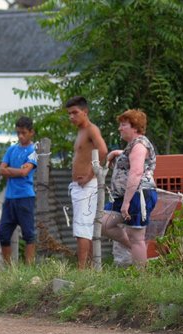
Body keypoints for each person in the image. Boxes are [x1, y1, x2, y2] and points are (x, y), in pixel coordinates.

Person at [102, 109, 157, 267]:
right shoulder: (133, 146)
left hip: (138, 195)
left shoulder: (139, 145)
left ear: (135, 127)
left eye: (123, 124)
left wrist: (126, 203)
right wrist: (118, 153)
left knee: (137, 237)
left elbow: (136, 172)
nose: (120, 128)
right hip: (122, 196)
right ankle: (135, 249)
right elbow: (131, 158)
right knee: (104, 224)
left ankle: (142, 280)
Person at [65, 96, 108, 269]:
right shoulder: (80, 131)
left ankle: (81, 270)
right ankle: (88, 268)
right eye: (69, 114)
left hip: (88, 186)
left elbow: (103, 151)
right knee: (82, 229)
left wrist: (90, 175)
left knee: (82, 228)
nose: (71, 117)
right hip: (78, 186)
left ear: (85, 111)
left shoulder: (91, 129)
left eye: (75, 113)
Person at [0, 116, 38, 264]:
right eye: (18, 133)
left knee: (29, 234)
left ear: (31, 132)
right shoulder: (12, 149)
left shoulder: (34, 151)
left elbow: (24, 173)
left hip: (25, 197)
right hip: (10, 198)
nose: (20, 136)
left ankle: (29, 267)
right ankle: (10, 269)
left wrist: (9, 170)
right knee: (3, 234)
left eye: (24, 133)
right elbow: (1, 170)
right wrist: (16, 171)